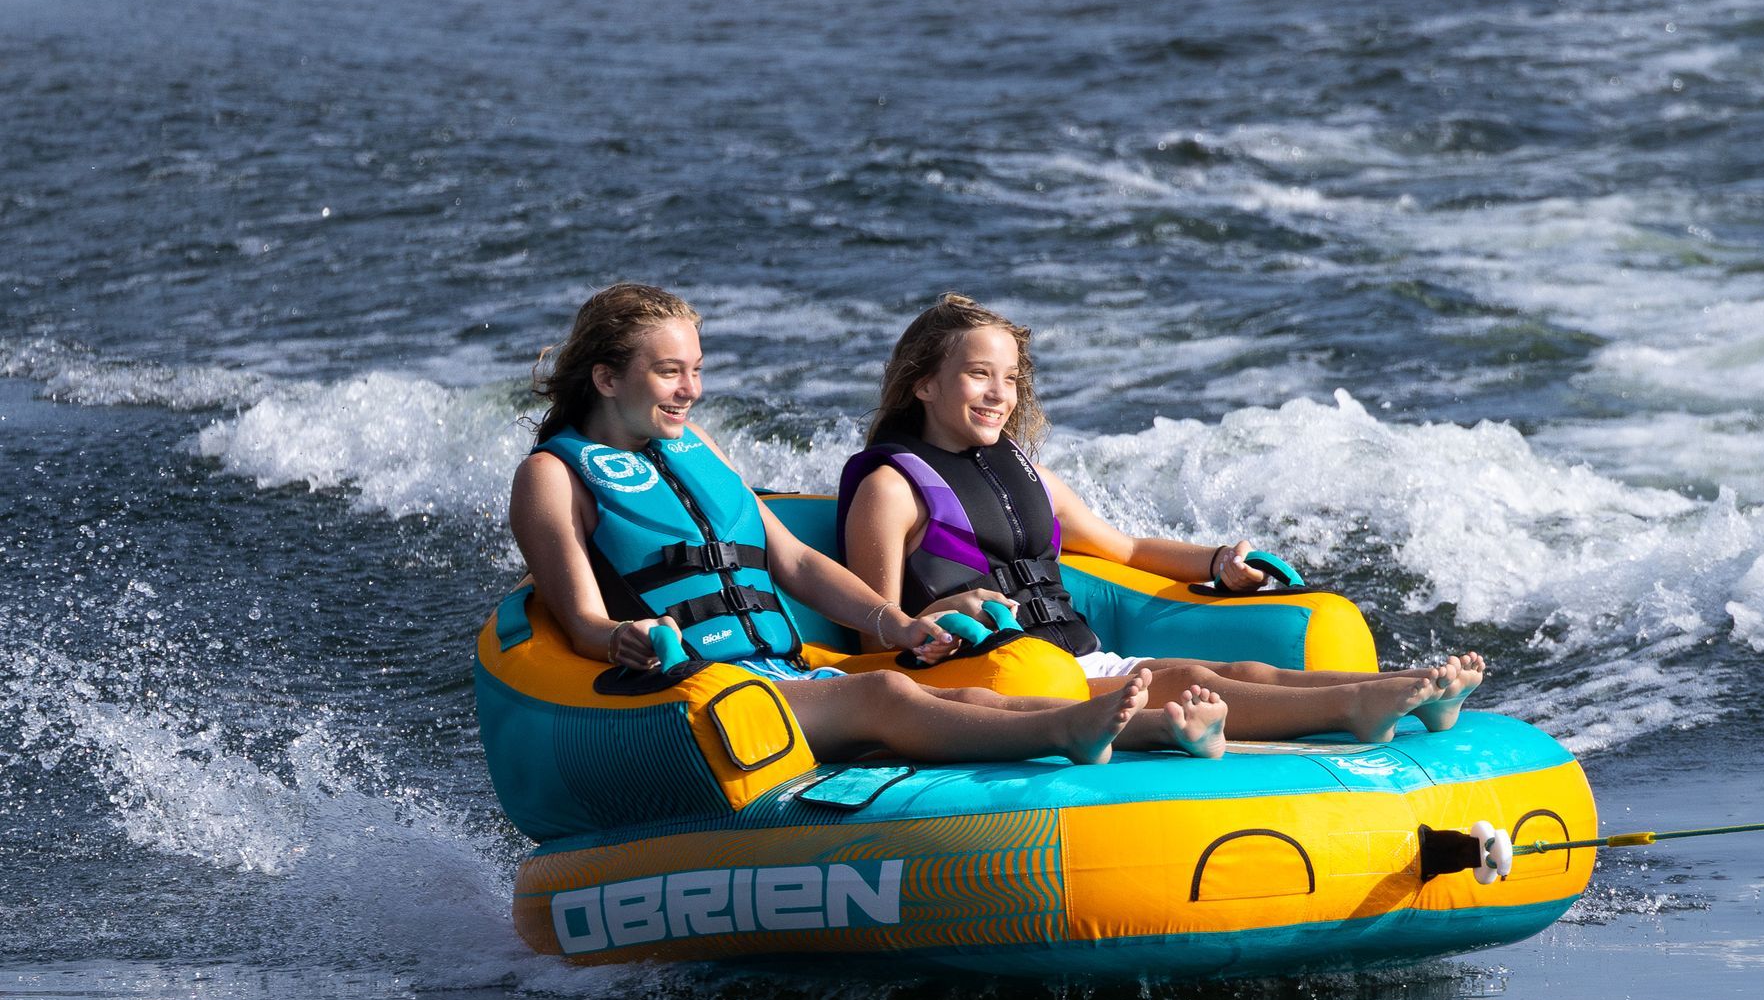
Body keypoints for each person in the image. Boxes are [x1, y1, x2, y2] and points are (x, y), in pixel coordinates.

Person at [508, 283, 1228, 770]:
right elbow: (580, 624)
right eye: (671, 372)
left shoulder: (697, 452)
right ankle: (1069, 732)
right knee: (882, 695)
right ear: (606, 378)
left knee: (964, 698)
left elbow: (793, 562)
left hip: (775, 674)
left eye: (696, 369)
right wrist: (624, 637)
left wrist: (895, 623)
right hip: (690, 693)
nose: (692, 390)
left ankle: (1154, 728)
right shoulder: (553, 475)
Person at [839, 295, 1486, 743]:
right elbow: (876, 636)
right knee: (1187, 679)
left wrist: (1216, 564)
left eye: (1009, 378)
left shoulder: (1025, 475)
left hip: (1072, 660)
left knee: (1240, 674)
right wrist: (947, 610)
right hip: (994, 679)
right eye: (979, 375)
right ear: (923, 384)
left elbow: (1121, 549)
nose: (999, 394)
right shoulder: (891, 489)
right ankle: (1356, 707)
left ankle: (1403, 687)